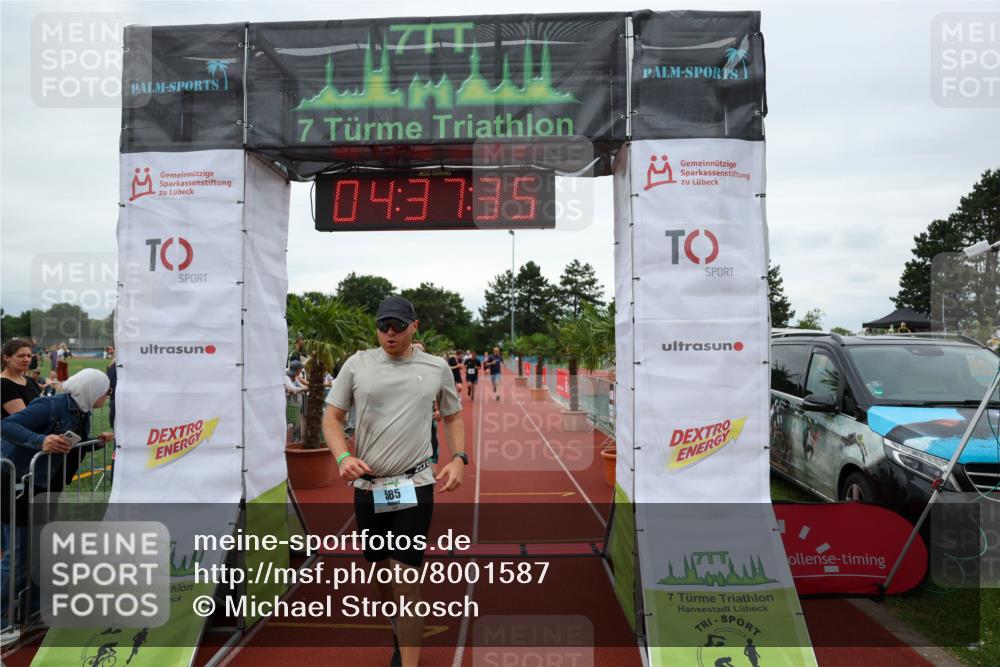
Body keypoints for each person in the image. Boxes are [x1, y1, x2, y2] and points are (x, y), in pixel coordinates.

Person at [322, 296, 466, 667]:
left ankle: (408, 658)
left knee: (406, 579)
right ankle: (399, 630)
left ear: (414, 326)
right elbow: (332, 418)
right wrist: (343, 457)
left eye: (398, 326)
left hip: (415, 484)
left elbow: (452, 416)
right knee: (381, 576)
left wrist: (459, 459)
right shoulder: (357, 364)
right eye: (383, 325)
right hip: (369, 487)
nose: (390, 332)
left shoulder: (436, 367)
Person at [1, 369, 113, 645]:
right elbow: (7, 426)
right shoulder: (51, 405)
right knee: (18, 555)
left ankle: (31, 611)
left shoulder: (81, 411)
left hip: (44, 488)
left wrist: (95, 444)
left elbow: (69, 447)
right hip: (20, 485)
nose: (108, 395)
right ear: (92, 389)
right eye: (106, 390)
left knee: (39, 552)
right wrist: (41, 441)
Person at [2, 339, 41, 419]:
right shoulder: (3, 384)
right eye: (21, 356)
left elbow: (44, 403)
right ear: (6, 358)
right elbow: (26, 418)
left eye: (29, 356)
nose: (26, 359)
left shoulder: (29, 380)